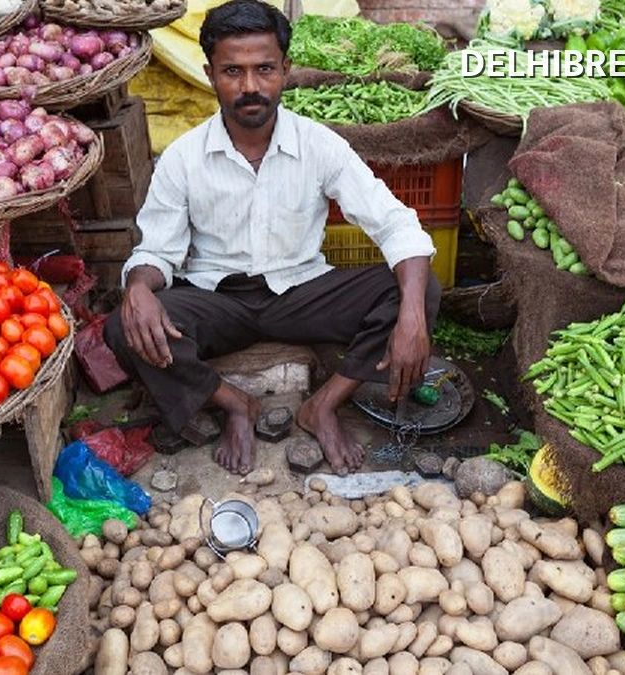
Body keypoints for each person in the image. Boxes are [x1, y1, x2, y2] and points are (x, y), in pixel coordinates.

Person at [103, 0, 441, 476]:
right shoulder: (183, 158)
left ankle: (322, 405)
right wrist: (138, 287)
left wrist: (410, 315)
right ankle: (233, 404)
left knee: (418, 288)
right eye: (232, 71)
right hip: (216, 299)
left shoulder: (319, 145)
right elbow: (157, 250)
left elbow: (397, 226)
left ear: (285, 69)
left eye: (264, 69)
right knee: (124, 324)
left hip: (302, 292)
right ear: (210, 74)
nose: (249, 87)